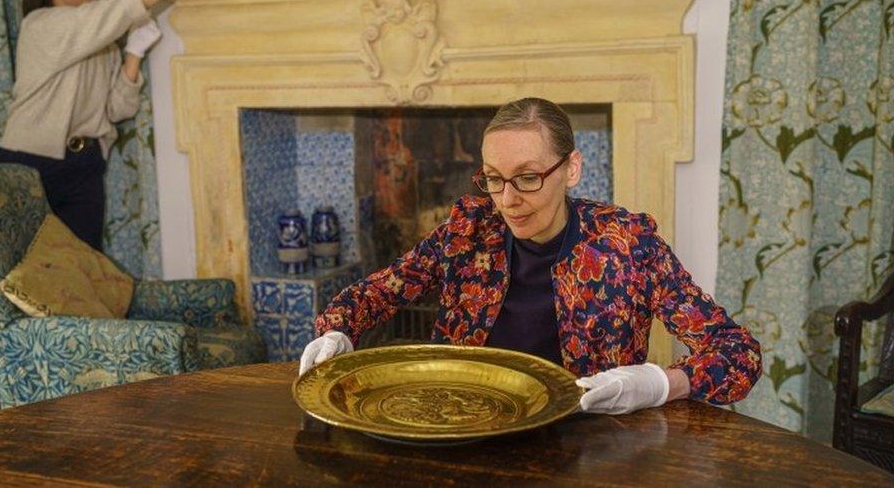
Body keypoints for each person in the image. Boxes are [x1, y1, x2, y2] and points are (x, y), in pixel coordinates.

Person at [300, 97, 761, 415]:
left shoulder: (628, 244)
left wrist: (660, 384)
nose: (506, 199)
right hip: (462, 426)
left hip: (587, 445)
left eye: (527, 177)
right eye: (494, 178)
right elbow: (378, 292)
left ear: (572, 169)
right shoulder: (468, 229)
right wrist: (337, 329)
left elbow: (737, 354)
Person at [0, 0, 243, 250]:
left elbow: (116, 109)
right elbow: (113, 12)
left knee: (84, 269)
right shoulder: (40, 25)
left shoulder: (101, 42)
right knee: (30, 274)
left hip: (83, 165)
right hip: (30, 165)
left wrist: (133, 54)